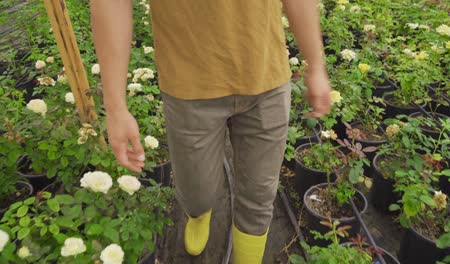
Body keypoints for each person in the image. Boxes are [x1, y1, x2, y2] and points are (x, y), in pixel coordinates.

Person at [90, 0, 331, 263]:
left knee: (259, 198)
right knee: (196, 193)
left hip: (266, 75)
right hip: (189, 84)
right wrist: (116, 108)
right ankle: (198, 212)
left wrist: (317, 65)